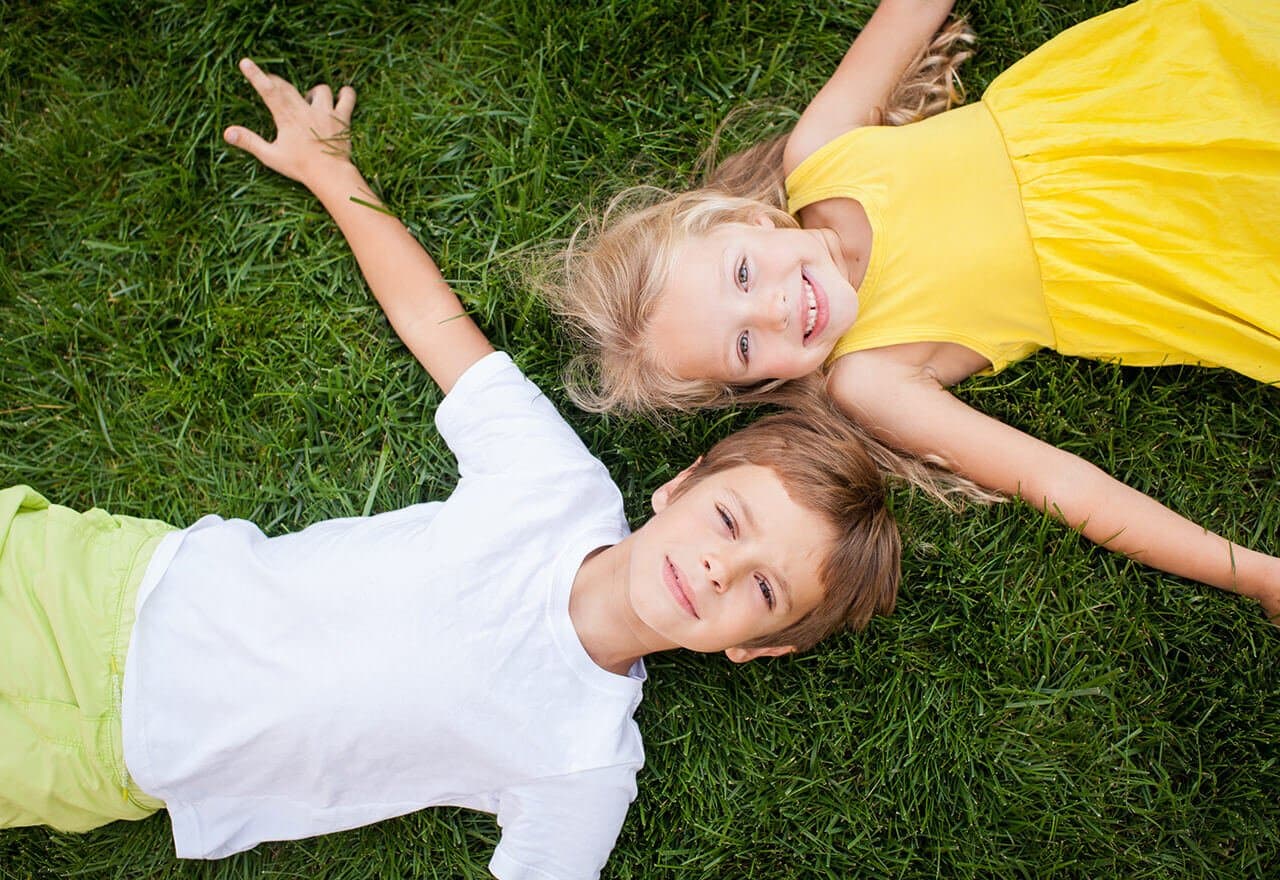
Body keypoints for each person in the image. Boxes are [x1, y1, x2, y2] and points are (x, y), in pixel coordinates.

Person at [0, 59, 901, 879]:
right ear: (681, 483)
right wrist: (331, 169)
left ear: (756, 647)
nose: (717, 568)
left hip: (104, 754)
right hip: (112, 584)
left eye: (764, 590)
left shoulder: (585, 763)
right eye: (730, 521)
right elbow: (434, 322)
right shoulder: (557, 488)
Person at [542, 0, 1280, 620]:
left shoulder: (822, 152)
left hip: (1137, 97)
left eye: (742, 273)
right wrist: (1254, 574)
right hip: (1161, 249)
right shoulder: (871, 378)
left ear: (752, 220)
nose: (773, 308)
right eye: (743, 345)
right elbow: (1062, 483)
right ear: (760, 383)